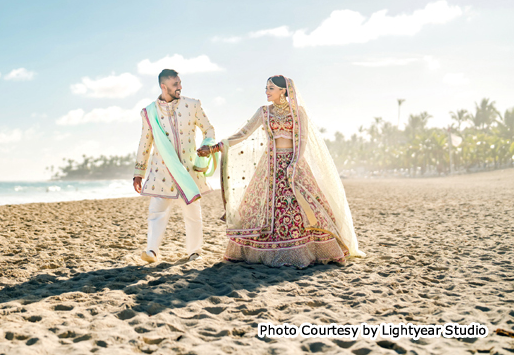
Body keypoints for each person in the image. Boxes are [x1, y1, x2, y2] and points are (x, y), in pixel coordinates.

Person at [198, 75, 364, 268]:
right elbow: (243, 133)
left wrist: (293, 164)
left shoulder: (298, 113)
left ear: (283, 91)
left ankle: (306, 251)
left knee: (300, 205)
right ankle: (261, 251)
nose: (266, 91)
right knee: (260, 207)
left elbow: (302, 140)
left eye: (271, 88)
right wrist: (215, 147)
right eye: (266, 88)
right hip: (270, 165)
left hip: (293, 164)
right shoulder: (264, 112)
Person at [133, 69, 216, 263]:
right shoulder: (149, 112)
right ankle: (152, 251)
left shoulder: (192, 105)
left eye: (179, 83)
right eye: (175, 85)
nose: (180, 87)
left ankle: (195, 252)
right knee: (157, 212)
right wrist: (138, 172)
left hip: (188, 171)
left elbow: (209, 129)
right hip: (162, 171)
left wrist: (207, 145)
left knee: (193, 213)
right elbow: (145, 142)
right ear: (163, 87)